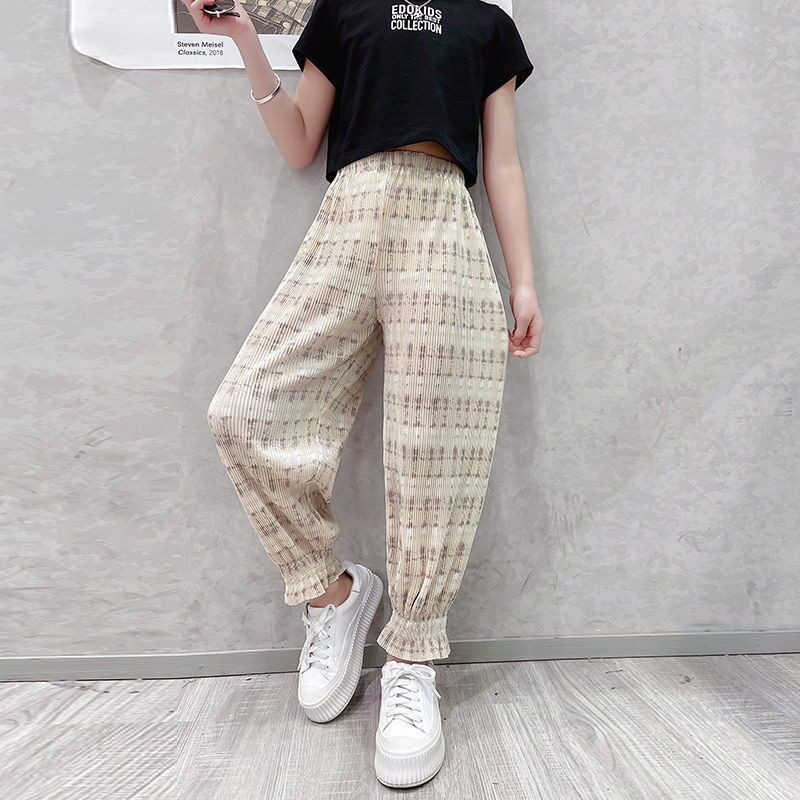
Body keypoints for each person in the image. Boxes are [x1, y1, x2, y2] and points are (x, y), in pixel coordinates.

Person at [181, 0, 543, 787]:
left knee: (434, 455)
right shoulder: (343, 9)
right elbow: (298, 143)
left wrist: (522, 280)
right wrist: (243, 39)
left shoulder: (486, 22)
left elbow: (504, 163)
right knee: (243, 411)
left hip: (445, 222)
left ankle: (412, 658)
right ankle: (333, 595)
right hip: (348, 215)